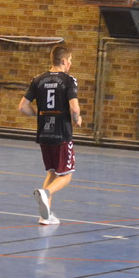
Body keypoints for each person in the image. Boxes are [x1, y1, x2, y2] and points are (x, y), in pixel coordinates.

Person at [17, 45, 83, 226]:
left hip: (44, 132)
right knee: (66, 175)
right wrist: (77, 119)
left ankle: (45, 216)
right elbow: (74, 108)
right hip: (62, 133)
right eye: (70, 61)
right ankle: (45, 193)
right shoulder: (69, 80)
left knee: (52, 172)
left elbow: (22, 107)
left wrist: (39, 115)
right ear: (64, 61)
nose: (70, 64)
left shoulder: (37, 79)